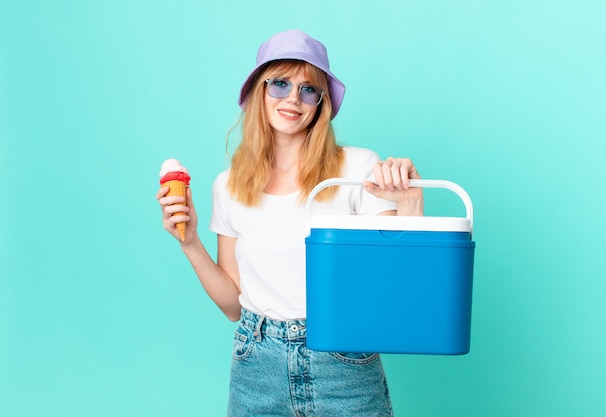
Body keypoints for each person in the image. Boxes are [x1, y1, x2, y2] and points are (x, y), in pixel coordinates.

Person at [157, 29, 423, 417]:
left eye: (308, 89)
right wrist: (190, 242)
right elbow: (234, 305)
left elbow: (396, 281)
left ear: (321, 103)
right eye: (279, 84)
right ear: (258, 93)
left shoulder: (358, 169)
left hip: (343, 360)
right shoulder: (228, 186)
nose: (293, 99)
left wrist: (409, 202)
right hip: (257, 363)